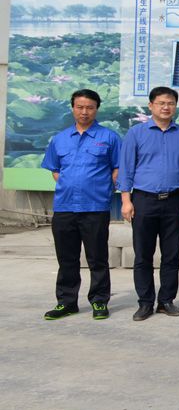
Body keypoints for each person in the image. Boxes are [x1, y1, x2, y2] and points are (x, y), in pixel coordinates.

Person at [41, 88, 121, 320]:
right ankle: (66, 302)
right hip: (64, 207)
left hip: (95, 207)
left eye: (89, 107)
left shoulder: (109, 137)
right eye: (80, 107)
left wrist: (102, 188)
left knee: (97, 258)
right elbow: (55, 170)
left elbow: (117, 168)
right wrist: (70, 184)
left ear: (97, 109)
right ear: (73, 108)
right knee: (66, 258)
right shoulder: (60, 139)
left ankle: (99, 301)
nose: (84, 112)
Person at [118, 86, 179, 321]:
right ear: (151, 106)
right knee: (143, 255)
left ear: (175, 106)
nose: (166, 107)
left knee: (171, 255)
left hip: (174, 200)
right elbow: (126, 169)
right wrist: (126, 200)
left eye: (170, 103)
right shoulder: (136, 133)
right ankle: (145, 302)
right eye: (161, 103)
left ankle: (166, 300)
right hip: (144, 200)